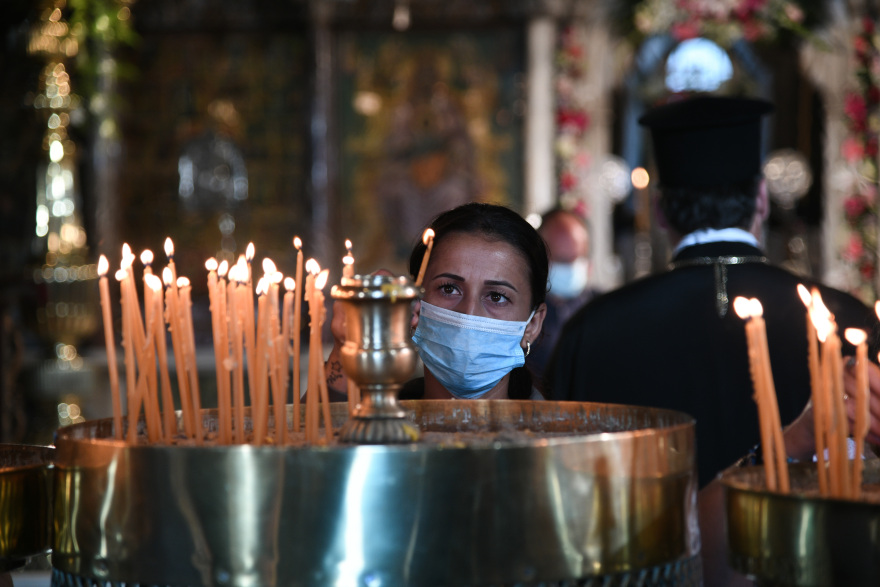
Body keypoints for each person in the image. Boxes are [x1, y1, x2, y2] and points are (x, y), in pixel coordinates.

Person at [546, 95, 880, 489]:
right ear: (761, 200)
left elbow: (562, 479)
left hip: (642, 549)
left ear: (660, 210)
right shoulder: (846, 318)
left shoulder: (593, 328)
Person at [326, 202, 548, 400]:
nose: (468, 314)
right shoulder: (377, 429)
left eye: (496, 297)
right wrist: (346, 350)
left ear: (532, 324)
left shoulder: (555, 439)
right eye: (449, 289)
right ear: (413, 304)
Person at [526, 207, 598, 389]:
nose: (568, 268)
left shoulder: (606, 312)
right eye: (560, 260)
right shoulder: (520, 314)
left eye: (574, 260)